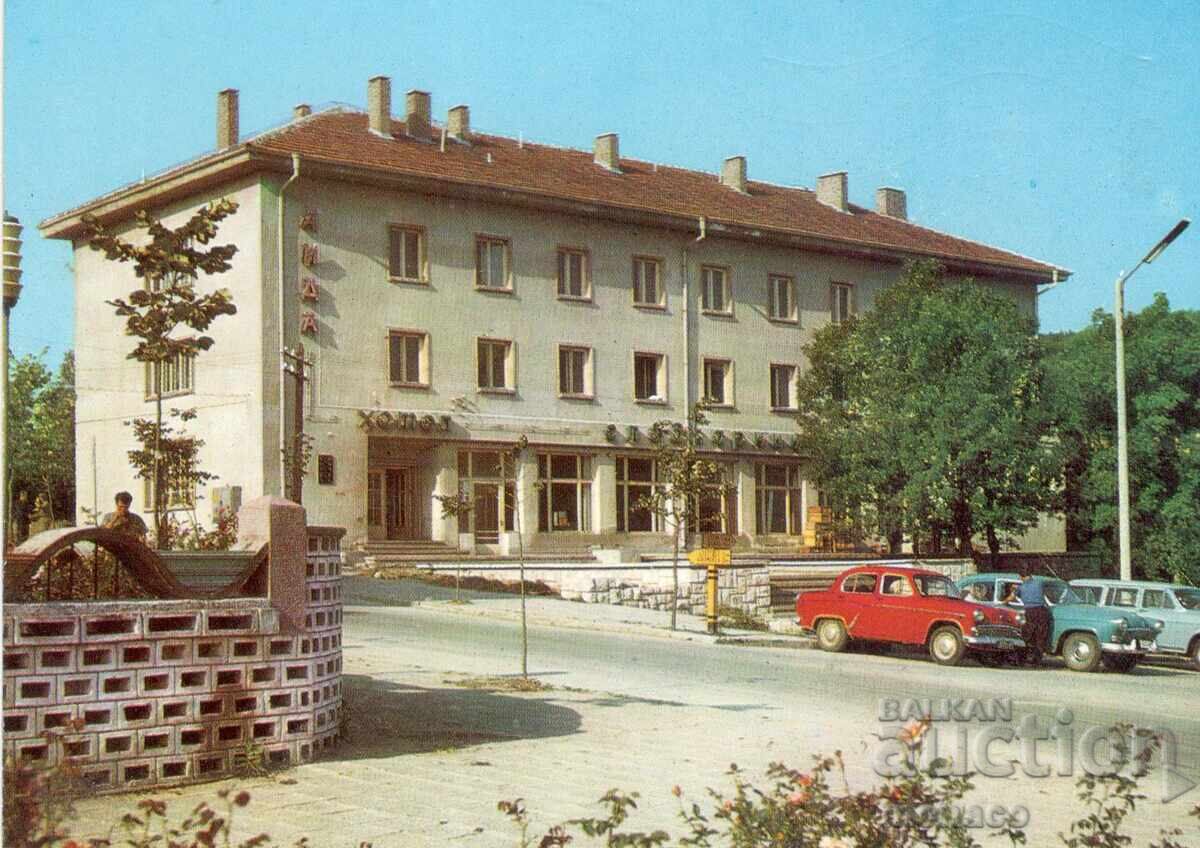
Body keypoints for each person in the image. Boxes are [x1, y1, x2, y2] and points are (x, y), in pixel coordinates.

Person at [1004, 573, 1051, 666]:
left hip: (1030, 611)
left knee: (1027, 635)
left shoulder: (1021, 587)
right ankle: (1037, 661)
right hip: (1042, 611)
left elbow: (1011, 597)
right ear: (1031, 576)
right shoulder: (1039, 583)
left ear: (1021, 577)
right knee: (1040, 636)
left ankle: (1021, 659)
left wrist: (1003, 602)